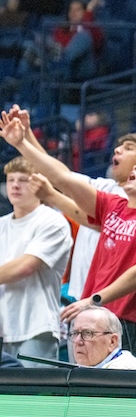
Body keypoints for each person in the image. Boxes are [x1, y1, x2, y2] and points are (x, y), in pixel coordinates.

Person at [1, 111, 136, 365]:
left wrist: (95, 299)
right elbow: (62, 177)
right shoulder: (114, 203)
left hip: (125, 320)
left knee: (120, 398)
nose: (122, 154)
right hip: (88, 313)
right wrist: (22, 142)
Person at [0, 157, 72, 367]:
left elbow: (26, 266)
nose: (15, 185)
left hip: (36, 324)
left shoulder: (52, 220)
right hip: (4, 325)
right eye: (11, 179)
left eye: (23, 180)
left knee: (35, 394)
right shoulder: (2, 224)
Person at [69, 306, 136, 369]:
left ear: (112, 342)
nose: (77, 341)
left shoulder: (122, 371)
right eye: (75, 333)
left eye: (87, 333)